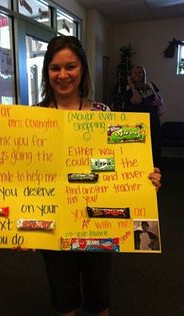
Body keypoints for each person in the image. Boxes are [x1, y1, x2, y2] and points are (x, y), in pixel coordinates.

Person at [35, 36, 161, 316]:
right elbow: (25, 174)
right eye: (55, 68)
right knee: (63, 295)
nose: (63, 75)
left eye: (70, 66)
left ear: (82, 70)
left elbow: (116, 166)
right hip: (54, 220)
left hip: (99, 218)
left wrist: (144, 176)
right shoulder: (34, 117)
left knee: (99, 295)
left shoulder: (103, 113)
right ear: (47, 72)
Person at [124, 65, 164, 166]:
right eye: (134, 72)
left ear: (144, 74)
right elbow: (137, 100)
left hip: (153, 120)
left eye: (140, 72)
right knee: (139, 147)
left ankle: (155, 168)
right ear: (131, 75)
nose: (137, 74)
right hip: (138, 123)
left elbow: (160, 97)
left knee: (154, 146)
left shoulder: (150, 85)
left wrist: (159, 100)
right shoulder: (129, 91)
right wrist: (132, 86)